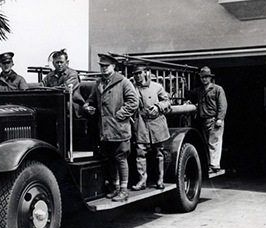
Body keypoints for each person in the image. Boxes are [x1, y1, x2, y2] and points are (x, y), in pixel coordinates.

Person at [83, 53, 139, 202]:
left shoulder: (124, 82)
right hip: (105, 130)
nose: (103, 69)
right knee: (110, 159)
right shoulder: (98, 83)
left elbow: (134, 102)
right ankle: (115, 188)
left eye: (106, 66)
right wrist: (88, 106)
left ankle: (123, 190)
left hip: (119, 128)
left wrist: (120, 115)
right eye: (101, 66)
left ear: (114, 66)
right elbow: (91, 100)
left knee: (121, 158)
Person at [129, 65, 171, 191]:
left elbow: (167, 102)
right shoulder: (132, 88)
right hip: (141, 123)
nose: (137, 76)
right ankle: (142, 181)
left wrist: (158, 107)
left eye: (140, 73)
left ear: (146, 73)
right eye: (135, 74)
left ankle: (160, 180)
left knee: (159, 153)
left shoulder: (157, 87)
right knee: (140, 152)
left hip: (156, 123)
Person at [186, 66, 228, 173]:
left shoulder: (217, 89)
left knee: (214, 142)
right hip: (204, 120)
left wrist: (220, 118)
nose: (204, 79)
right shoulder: (199, 90)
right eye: (202, 77)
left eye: (206, 77)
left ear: (210, 78)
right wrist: (184, 85)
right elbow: (190, 94)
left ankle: (214, 165)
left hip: (214, 120)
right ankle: (211, 164)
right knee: (207, 142)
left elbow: (223, 105)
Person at [42, 49, 85, 117]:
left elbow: (66, 89)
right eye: (57, 62)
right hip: (55, 103)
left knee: (63, 106)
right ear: (53, 63)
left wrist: (50, 90)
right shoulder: (49, 76)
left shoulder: (73, 74)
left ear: (67, 62)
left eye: (61, 62)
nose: (59, 64)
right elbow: (42, 87)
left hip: (73, 105)